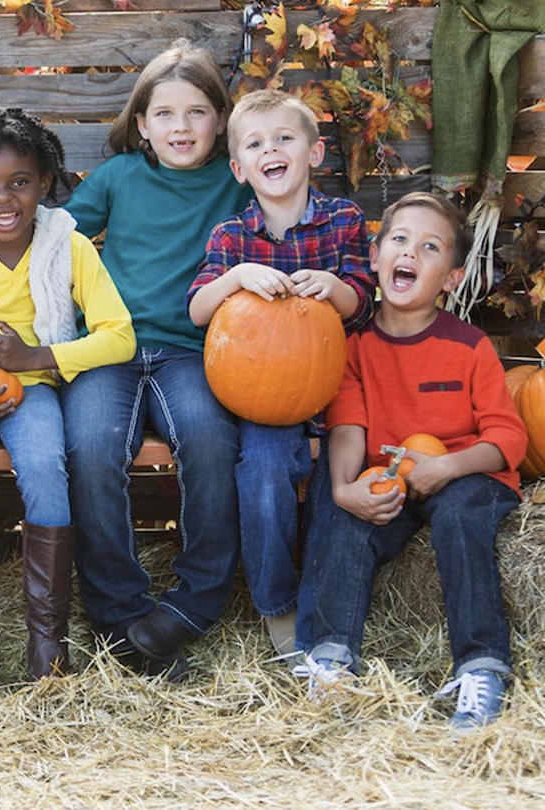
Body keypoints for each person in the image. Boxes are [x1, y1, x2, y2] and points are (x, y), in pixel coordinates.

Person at [0, 107, 136, 690]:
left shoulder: (71, 247)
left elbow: (119, 335)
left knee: (45, 468)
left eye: (20, 182)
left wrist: (37, 358)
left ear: (44, 183)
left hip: (32, 389)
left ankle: (47, 644)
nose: (3, 199)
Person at [296, 192, 526, 732]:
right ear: (375, 257)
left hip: (468, 474)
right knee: (349, 525)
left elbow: (508, 438)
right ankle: (332, 663)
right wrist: (345, 487)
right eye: (399, 240)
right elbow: (347, 424)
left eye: (430, 247)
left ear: (451, 277)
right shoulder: (352, 350)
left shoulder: (468, 346)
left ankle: (482, 668)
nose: (411, 253)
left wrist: (448, 468)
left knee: (458, 517)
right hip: (393, 476)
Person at [59, 39, 253, 679]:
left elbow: (281, 223)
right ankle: (120, 616)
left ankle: (194, 603)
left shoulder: (236, 180)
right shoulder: (118, 177)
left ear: (221, 120)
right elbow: (57, 240)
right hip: (108, 347)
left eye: (197, 112)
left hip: (189, 351)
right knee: (88, 445)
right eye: (164, 114)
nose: (181, 127)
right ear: (141, 124)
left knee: (209, 439)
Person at [185, 89, 376, 661]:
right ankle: (278, 607)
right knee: (263, 471)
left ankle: (329, 612)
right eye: (256, 143)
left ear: (315, 153)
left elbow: (365, 300)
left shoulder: (343, 221)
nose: (272, 150)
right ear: (240, 168)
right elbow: (197, 309)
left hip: (335, 388)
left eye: (284, 138)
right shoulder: (232, 239)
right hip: (264, 397)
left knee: (333, 498)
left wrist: (339, 290)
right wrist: (238, 276)